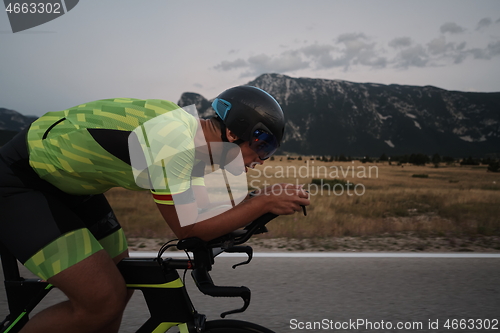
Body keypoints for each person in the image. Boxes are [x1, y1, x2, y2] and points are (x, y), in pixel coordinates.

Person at [0, 85, 310, 333]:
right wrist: (261, 203)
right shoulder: (174, 143)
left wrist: (257, 202)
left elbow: (203, 212)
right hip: (22, 182)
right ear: (233, 132)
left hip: (72, 187)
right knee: (102, 302)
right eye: (263, 145)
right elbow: (189, 229)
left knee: (121, 286)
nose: (262, 158)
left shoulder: (196, 147)